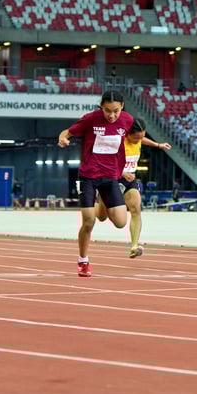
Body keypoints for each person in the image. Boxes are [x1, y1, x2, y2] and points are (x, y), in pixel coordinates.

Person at [58, 91, 134, 277]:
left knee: (120, 222)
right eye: (107, 110)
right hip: (89, 176)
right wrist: (63, 138)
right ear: (101, 107)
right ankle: (83, 261)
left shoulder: (128, 120)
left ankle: (101, 202)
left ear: (122, 107)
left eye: (115, 111)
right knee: (89, 221)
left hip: (110, 177)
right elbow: (67, 131)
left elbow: (136, 139)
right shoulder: (91, 119)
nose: (111, 115)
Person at [95, 118, 171, 258]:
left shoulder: (139, 138)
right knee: (101, 217)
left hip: (130, 180)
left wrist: (158, 145)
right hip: (112, 178)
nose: (138, 140)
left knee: (136, 208)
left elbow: (143, 140)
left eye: (141, 137)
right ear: (128, 134)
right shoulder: (117, 142)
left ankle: (134, 245)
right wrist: (122, 172)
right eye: (136, 138)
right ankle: (99, 200)